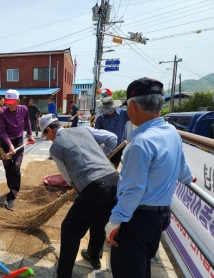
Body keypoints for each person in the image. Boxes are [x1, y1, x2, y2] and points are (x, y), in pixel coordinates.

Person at [105, 77, 195, 278]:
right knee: (142, 266)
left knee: (128, 270)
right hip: (161, 216)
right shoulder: (172, 131)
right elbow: (182, 168)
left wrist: (113, 222)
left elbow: (133, 190)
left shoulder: (141, 143)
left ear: (134, 106)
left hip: (138, 218)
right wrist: (189, 179)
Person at [39, 114, 119, 278]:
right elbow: (112, 137)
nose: (47, 139)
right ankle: (94, 256)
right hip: (114, 180)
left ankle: (63, 274)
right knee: (98, 221)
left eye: (45, 135)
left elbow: (67, 176)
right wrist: (103, 158)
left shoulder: (55, 148)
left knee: (70, 229)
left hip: (95, 187)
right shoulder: (84, 130)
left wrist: (76, 185)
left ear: (48, 130)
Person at [0, 89, 35, 210]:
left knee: (16, 167)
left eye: (12, 103)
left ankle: (12, 194)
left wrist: (29, 135)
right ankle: (11, 189)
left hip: (18, 140)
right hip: (5, 142)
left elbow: (27, 121)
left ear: (18, 101)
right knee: (8, 167)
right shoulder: (2, 112)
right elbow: (2, 131)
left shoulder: (24, 109)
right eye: (7, 103)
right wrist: (10, 145)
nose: (9, 105)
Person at [94, 96, 129, 169]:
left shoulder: (123, 114)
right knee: (104, 169)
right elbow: (96, 136)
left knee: (114, 167)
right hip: (105, 149)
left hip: (118, 147)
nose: (109, 112)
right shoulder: (101, 118)